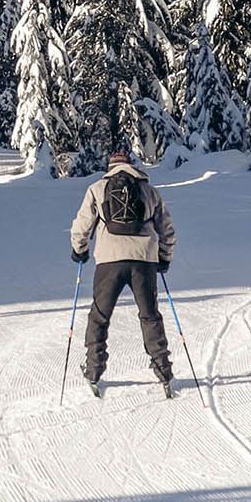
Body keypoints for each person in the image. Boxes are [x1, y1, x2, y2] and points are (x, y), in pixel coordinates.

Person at [70, 149, 178, 397]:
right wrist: (164, 257)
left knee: (99, 316)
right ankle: (164, 373)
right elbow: (168, 230)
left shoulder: (97, 189)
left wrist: (80, 250)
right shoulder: (149, 191)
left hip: (109, 262)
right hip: (144, 262)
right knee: (150, 316)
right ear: (131, 166)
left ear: (110, 167)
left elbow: (81, 225)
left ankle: (93, 371)